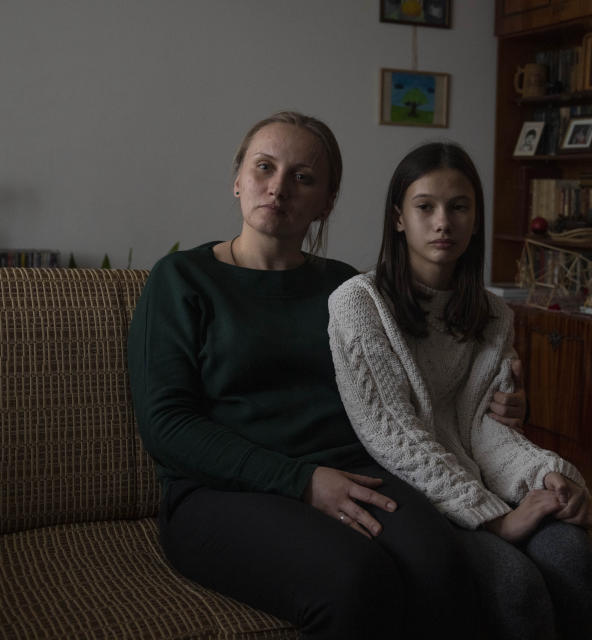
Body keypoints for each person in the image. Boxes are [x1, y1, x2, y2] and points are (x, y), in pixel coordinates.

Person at [126, 112, 525, 639]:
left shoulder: (349, 289)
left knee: (441, 563)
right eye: (264, 167)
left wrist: (499, 395)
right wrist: (302, 481)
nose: (279, 187)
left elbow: (422, 380)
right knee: (356, 579)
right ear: (238, 179)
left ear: (327, 202)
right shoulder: (180, 280)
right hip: (219, 493)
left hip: (356, 470)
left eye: (304, 177)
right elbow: (166, 425)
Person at [328, 141, 592, 640]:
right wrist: (493, 521)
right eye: (426, 207)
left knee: (572, 555)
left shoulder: (493, 314)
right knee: (514, 584)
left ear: (477, 218)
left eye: (459, 207)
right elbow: (393, 438)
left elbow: (483, 432)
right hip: (407, 495)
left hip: (475, 482)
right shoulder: (359, 303)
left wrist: (543, 475)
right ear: (399, 218)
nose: (444, 222)